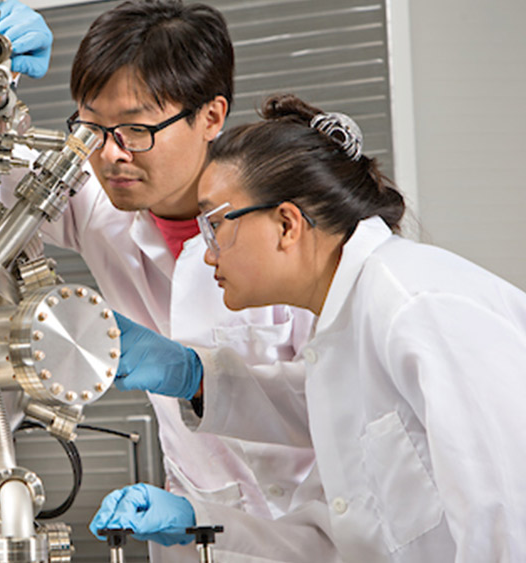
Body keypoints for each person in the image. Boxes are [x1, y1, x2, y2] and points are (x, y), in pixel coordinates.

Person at [98, 93, 526, 561]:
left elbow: (504, 519)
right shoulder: (341, 339)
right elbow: (331, 543)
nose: (208, 251)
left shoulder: (416, 305)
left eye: (216, 224)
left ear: (287, 224)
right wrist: (195, 521)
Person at [0, 2, 339, 561]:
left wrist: (196, 377)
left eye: (136, 128)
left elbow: (346, 402)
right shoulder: (103, 205)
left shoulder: (288, 230)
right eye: (92, 126)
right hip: (193, 534)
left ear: (211, 115)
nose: (110, 155)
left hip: (318, 532)